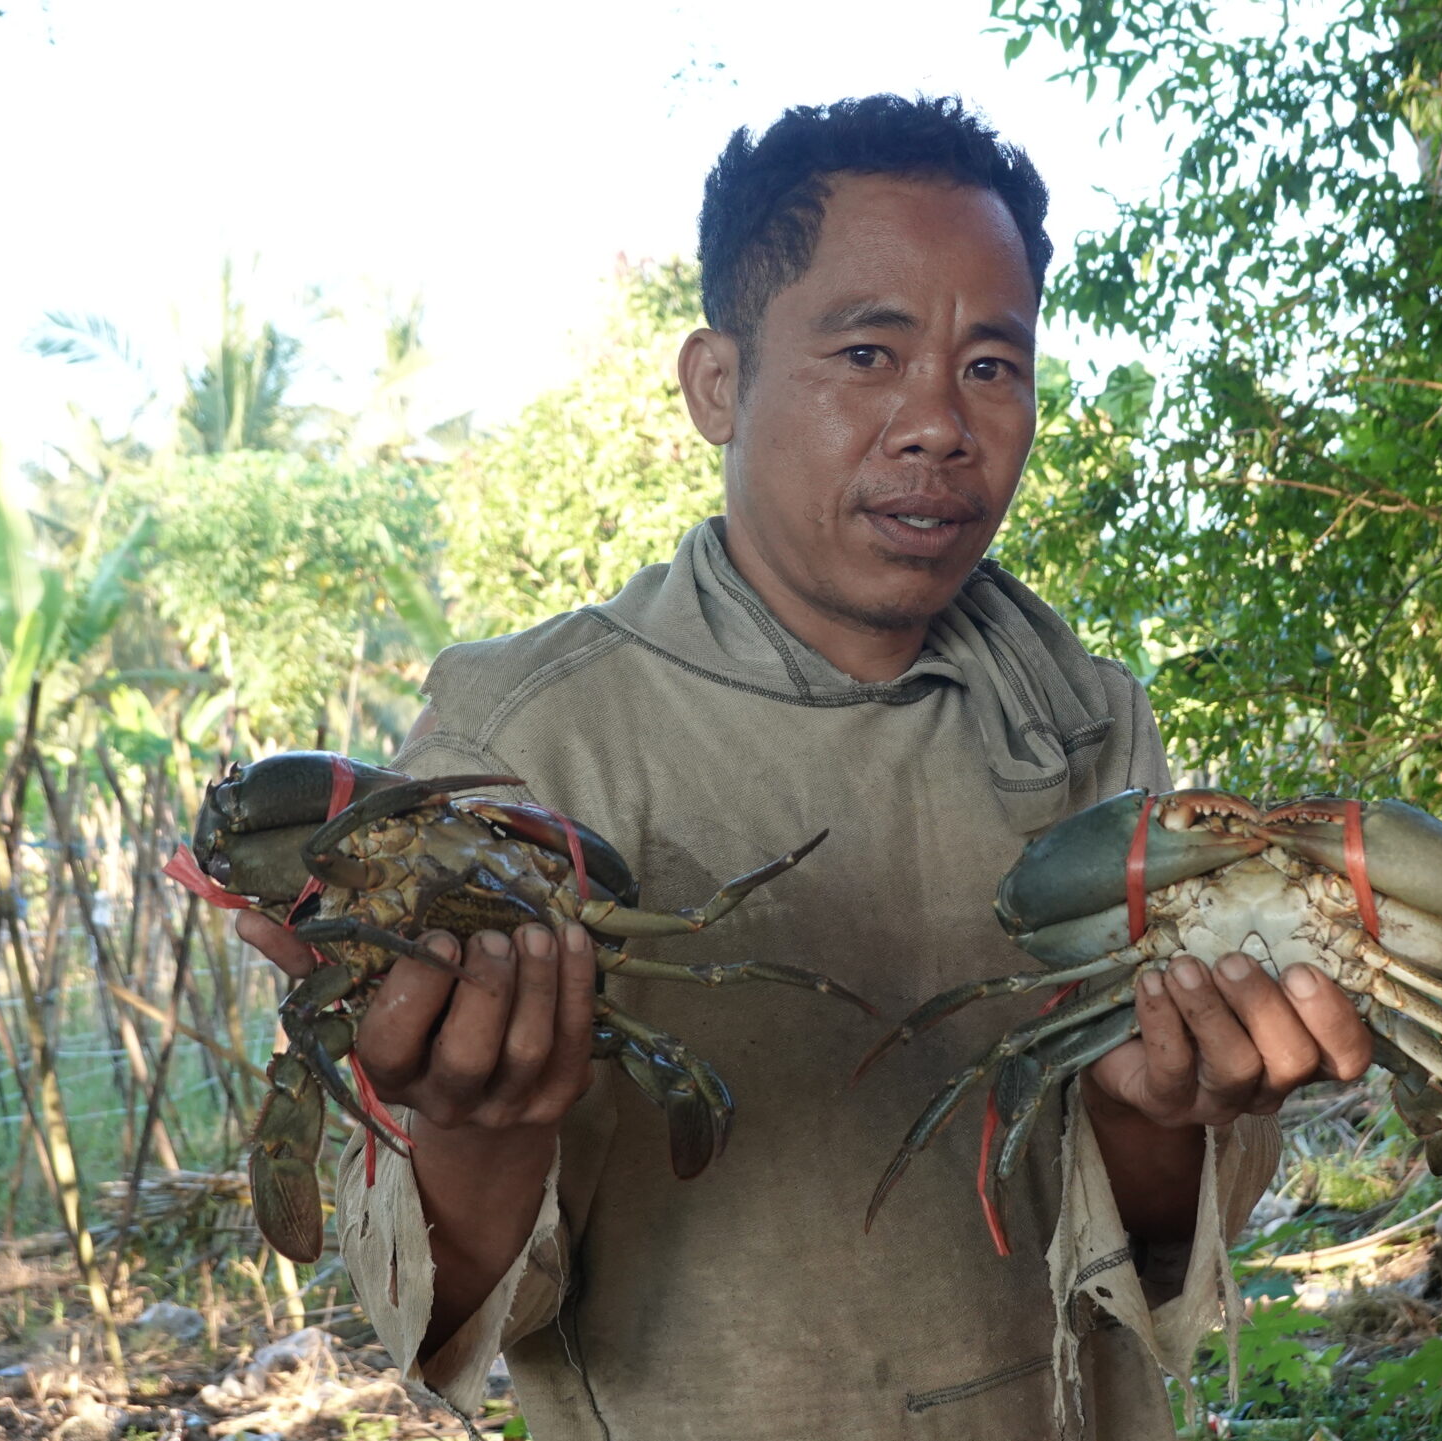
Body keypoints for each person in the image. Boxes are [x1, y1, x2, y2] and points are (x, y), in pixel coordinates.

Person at [236, 95, 1371, 1439]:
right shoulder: (531, 741)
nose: (939, 423)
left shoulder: (1081, 724)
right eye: (871, 351)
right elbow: (440, 1318)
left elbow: (1155, 1236)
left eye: (992, 366)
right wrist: (477, 1123)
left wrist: (1171, 1106)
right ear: (718, 383)